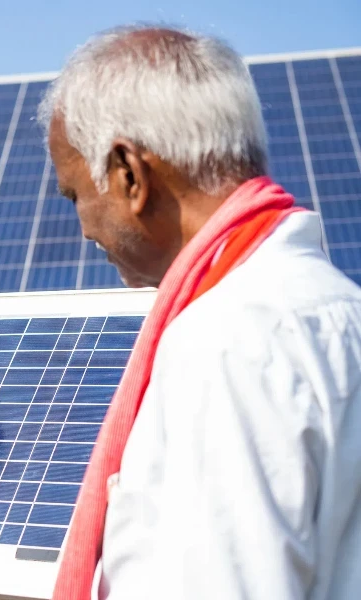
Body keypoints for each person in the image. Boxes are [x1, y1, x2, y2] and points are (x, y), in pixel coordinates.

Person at [38, 25, 361, 600]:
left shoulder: (226, 343)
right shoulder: (332, 305)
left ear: (129, 175)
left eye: (74, 195)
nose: (84, 229)